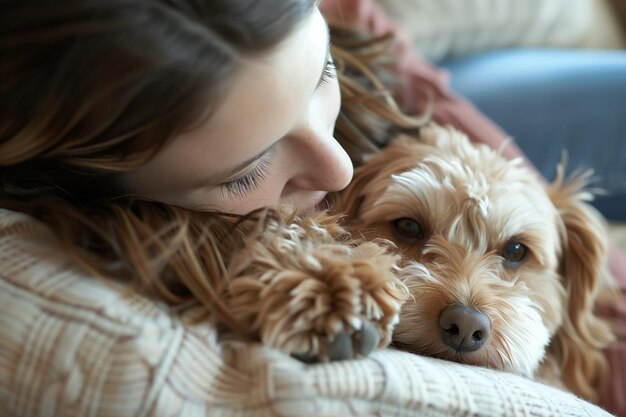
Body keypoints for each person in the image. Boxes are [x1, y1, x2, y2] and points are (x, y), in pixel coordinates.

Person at [0, 0, 622, 416]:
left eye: (318, 73)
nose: (340, 169)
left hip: (417, 80)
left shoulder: (312, 32)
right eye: (247, 170)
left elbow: (411, 85)